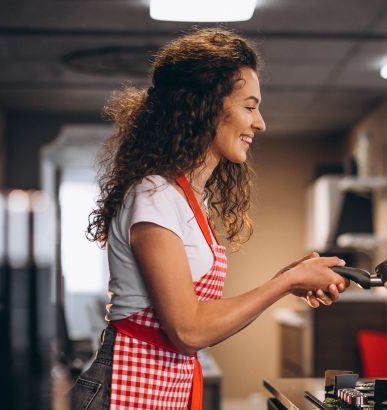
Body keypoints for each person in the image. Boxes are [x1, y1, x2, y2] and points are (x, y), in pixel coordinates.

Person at [69, 28, 349, 409]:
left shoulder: (185, 197)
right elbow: (188, 328)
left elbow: (196, 320)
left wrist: (288, 279)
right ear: (206, 106)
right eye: (250, 107)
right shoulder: (154, 195)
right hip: (123, 390)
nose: (260, 123)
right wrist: (286, 283)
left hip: (160, 388)